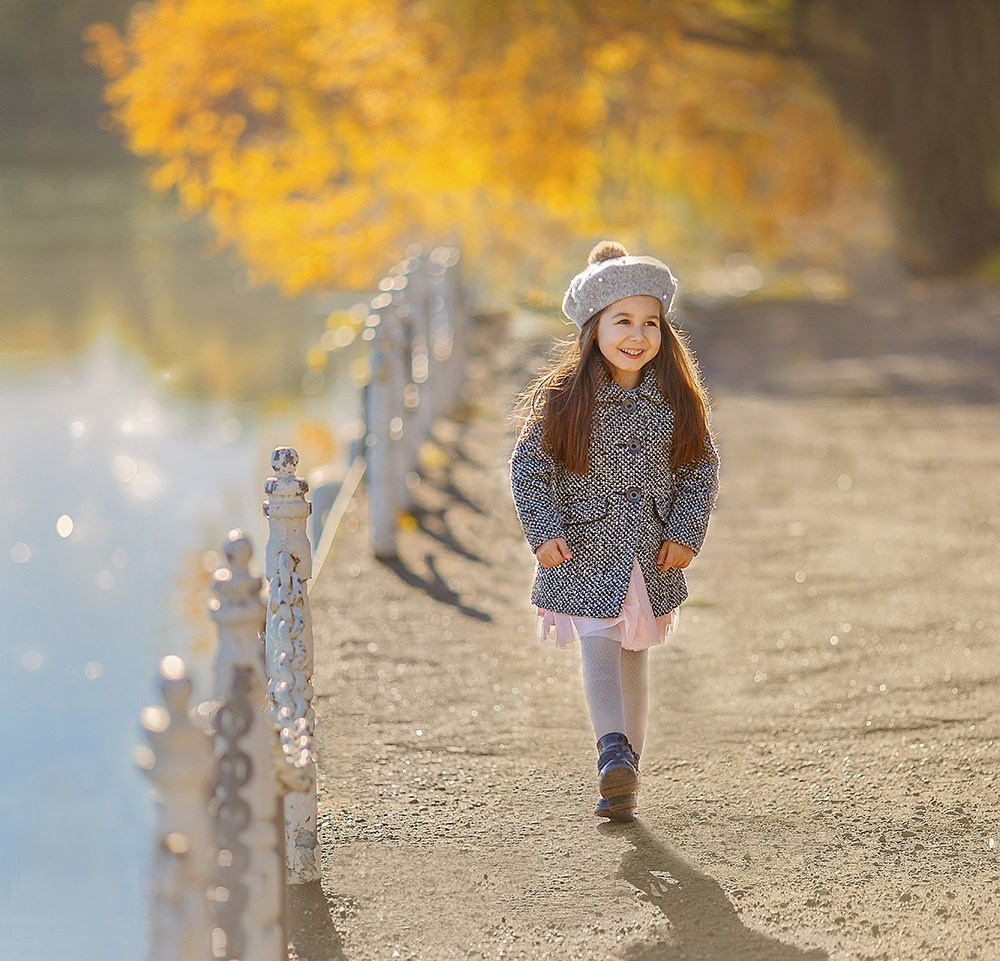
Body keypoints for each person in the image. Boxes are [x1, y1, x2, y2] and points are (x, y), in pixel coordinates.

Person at [509, 240, 720, 821]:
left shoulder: (675, 400)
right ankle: (611, 752)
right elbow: (530, 465)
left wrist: (685, 530)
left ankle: (627, 775)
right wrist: (543, 527)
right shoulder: (564, 400)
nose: (638, 334)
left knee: (635, 655)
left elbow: (699, 469)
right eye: (622, 320)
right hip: (581, 548)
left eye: (650, 322)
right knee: (598, 645)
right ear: (593, 328)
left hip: (648, 552)